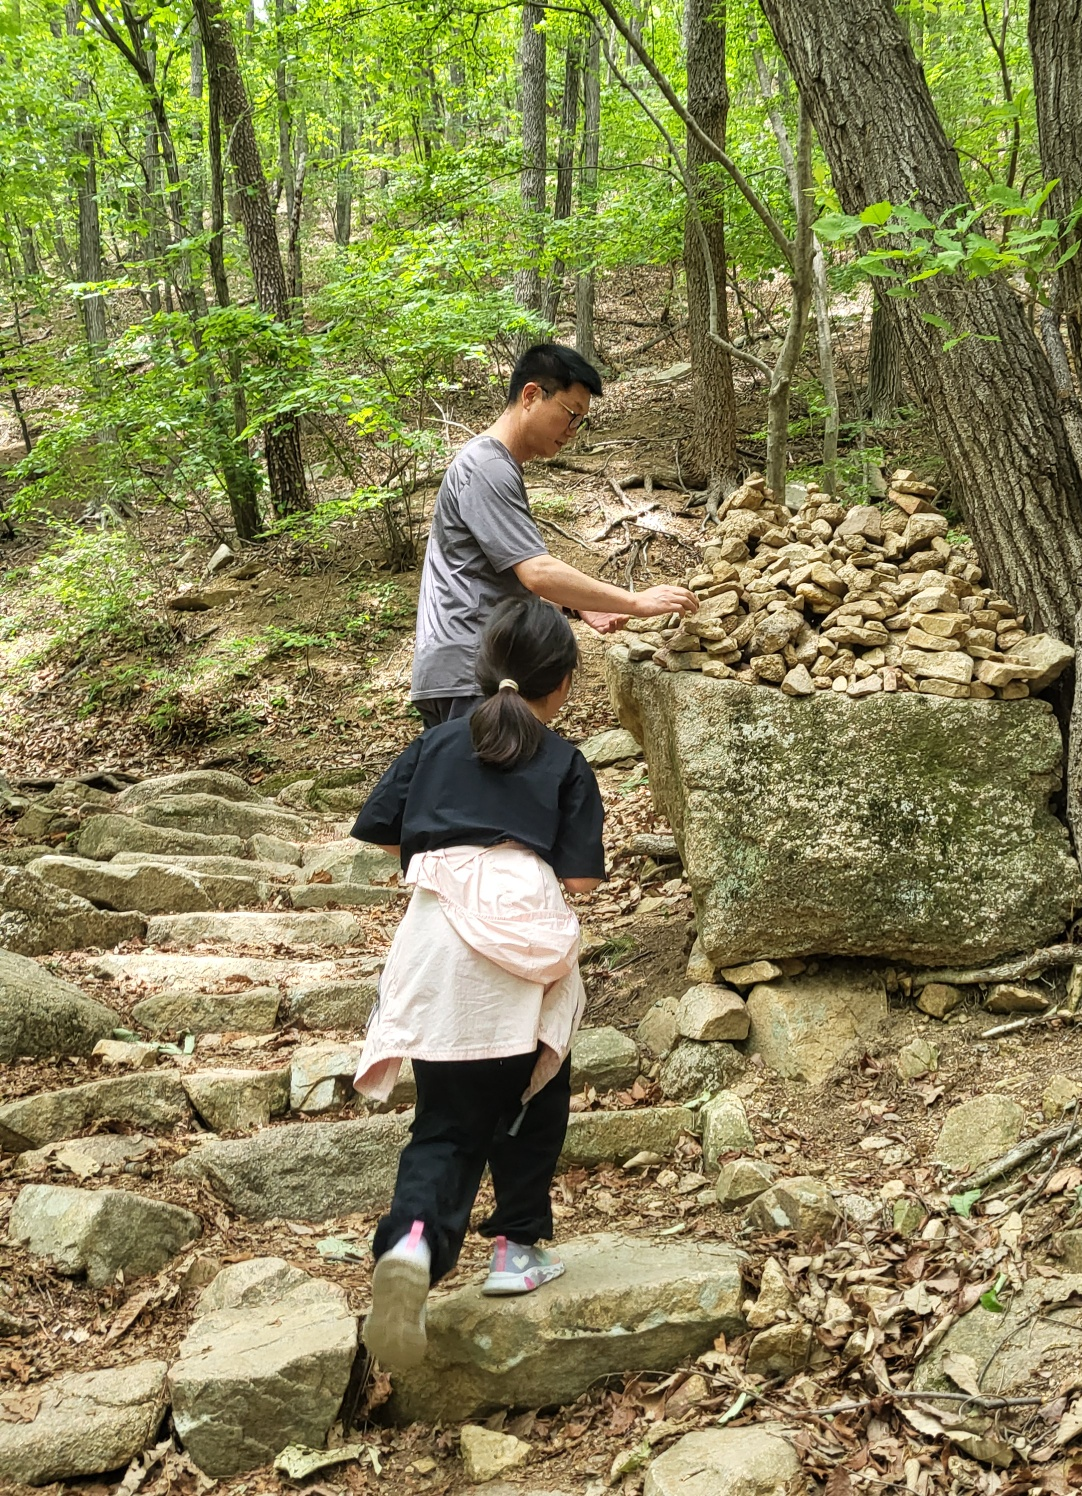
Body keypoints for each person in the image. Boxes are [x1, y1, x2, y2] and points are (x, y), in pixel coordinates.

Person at [351, 594, 605, 1371]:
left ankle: (415, 1246)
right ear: (560, 683)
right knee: (531, 1097)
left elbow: (378, 830)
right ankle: (516, 1250)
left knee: (446, 1125)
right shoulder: (564, 760)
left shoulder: (434, 744)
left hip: (438, 946)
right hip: (521, 952)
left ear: (484, 668)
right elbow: (583, 883)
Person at [412, 342, 698, 728]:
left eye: (580, 421)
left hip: (471, 667)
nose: (572, 432)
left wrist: (578, 605)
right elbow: (537, 572)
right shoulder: (487, 467)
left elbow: (493, 575)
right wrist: (635, 601)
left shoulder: (492, 464)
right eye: (571, 415)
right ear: (531, 395)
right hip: (470, 672)